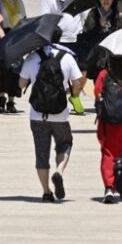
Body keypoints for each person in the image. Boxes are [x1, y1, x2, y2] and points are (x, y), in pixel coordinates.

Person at [20, 28, 85, 202]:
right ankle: (59, 171)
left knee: (41, 153)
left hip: (37, 114)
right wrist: (70, 93)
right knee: (65, 143)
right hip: (60, 113)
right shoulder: (67, 57)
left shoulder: (32, 57)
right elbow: (78, 82)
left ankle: (47, 192)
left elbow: (21, 84)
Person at [40, 0, 88, 111]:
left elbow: (85, 16)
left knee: (83, 72)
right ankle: (57, 100)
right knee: (59, 73)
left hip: (77, 39)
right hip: (59, 41)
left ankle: (75, 96)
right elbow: (45, 19)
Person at [94, 56, 122, 204]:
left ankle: (109, 187)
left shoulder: (104, 74)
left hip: (108, 121)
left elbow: (97, 92)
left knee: (108, 153)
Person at [0, 0, 26, 114]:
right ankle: (1, 99)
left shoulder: (20, 3)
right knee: (4, 70)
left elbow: (24, 20)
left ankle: (11, 101)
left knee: (16, 70)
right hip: (3, 34)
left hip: (17, 35)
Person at [80, 0, 122, 82]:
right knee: (98, 83)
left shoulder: (116, 14)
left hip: (112, 56)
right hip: (97, 57)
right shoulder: (94, 13)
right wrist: (98, 26)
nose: (106, 0)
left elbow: (120, 34)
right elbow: (86, 34)